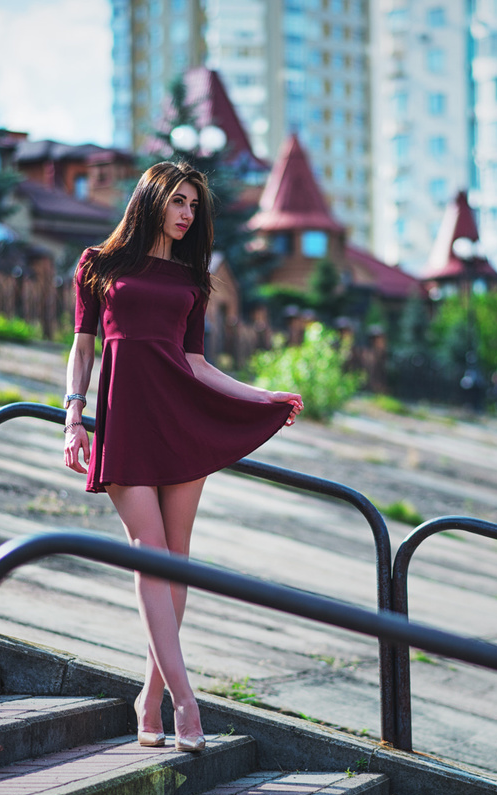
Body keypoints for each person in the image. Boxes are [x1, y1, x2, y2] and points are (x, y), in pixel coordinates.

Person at [61, 161, 302, 753]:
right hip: (124, 424)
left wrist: (258, 395)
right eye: (179, 201)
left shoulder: (194, 282)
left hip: (179, 420)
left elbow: (194, 363)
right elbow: (82, 348)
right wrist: (73, 416)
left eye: (194, 204)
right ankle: (186, 703)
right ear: (152, 200)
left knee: (177, 563)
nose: (188, 213)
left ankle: (149, 700)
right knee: (152, 555)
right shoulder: (99, 265)